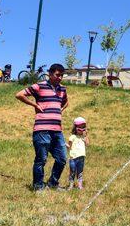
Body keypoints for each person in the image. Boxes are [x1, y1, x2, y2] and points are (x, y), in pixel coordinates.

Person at [15, 63, 69, 191]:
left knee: (62, 158)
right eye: (57, 75)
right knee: (41, 159)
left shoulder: (62, 89)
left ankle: (53, 183)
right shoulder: (40, 86)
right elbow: (19, 94)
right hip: (42, 130)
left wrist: (59, 110)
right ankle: (38, 186)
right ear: (50, 74)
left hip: (57, 130)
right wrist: (34, 105)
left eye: (61, 75)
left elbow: (66, 102)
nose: (60, 77)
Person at [67, 117, 89, 190]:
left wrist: (86, 135)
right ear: (75, 128)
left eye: (83, 127)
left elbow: (87, 144)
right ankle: (71, 185)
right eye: (79, 127)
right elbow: (69, 146)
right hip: (73, 158)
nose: (81, 129)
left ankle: (80, 185)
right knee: (72, 171)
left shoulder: (83, 137)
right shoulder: (72, 137)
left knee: (80, 172)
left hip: (81, 158)